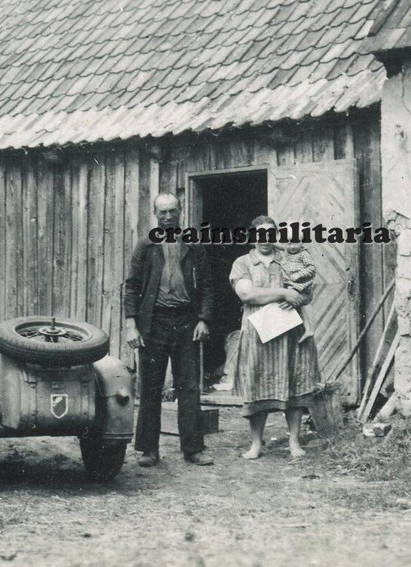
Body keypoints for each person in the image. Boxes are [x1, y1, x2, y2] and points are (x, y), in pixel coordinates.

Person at [123, 193, 215, 467]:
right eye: (162, 212)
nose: (168, 217)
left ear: (181, 211)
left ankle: (193, 448)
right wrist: (131, 323)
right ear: (155, 214)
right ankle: (149, 449)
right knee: (150, 387)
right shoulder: (146, 246)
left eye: (172, 211)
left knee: (189, 387)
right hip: (154, 323)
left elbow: (209, 285)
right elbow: (131, 286)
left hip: (187, 322)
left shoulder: (193, 245)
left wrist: (204, 319)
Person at [230, 216, 322, 460]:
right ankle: (256, 444)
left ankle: (294, 441)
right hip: (259, 333)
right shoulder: (243, 262)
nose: (265, 239)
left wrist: (297, 297)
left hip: (290, 332)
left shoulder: (290, 258)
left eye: (270, 233)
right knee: (257, 384)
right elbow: (247, 294)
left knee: (294, 385)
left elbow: (306, 293)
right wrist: (283, 292)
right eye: (259, 234)